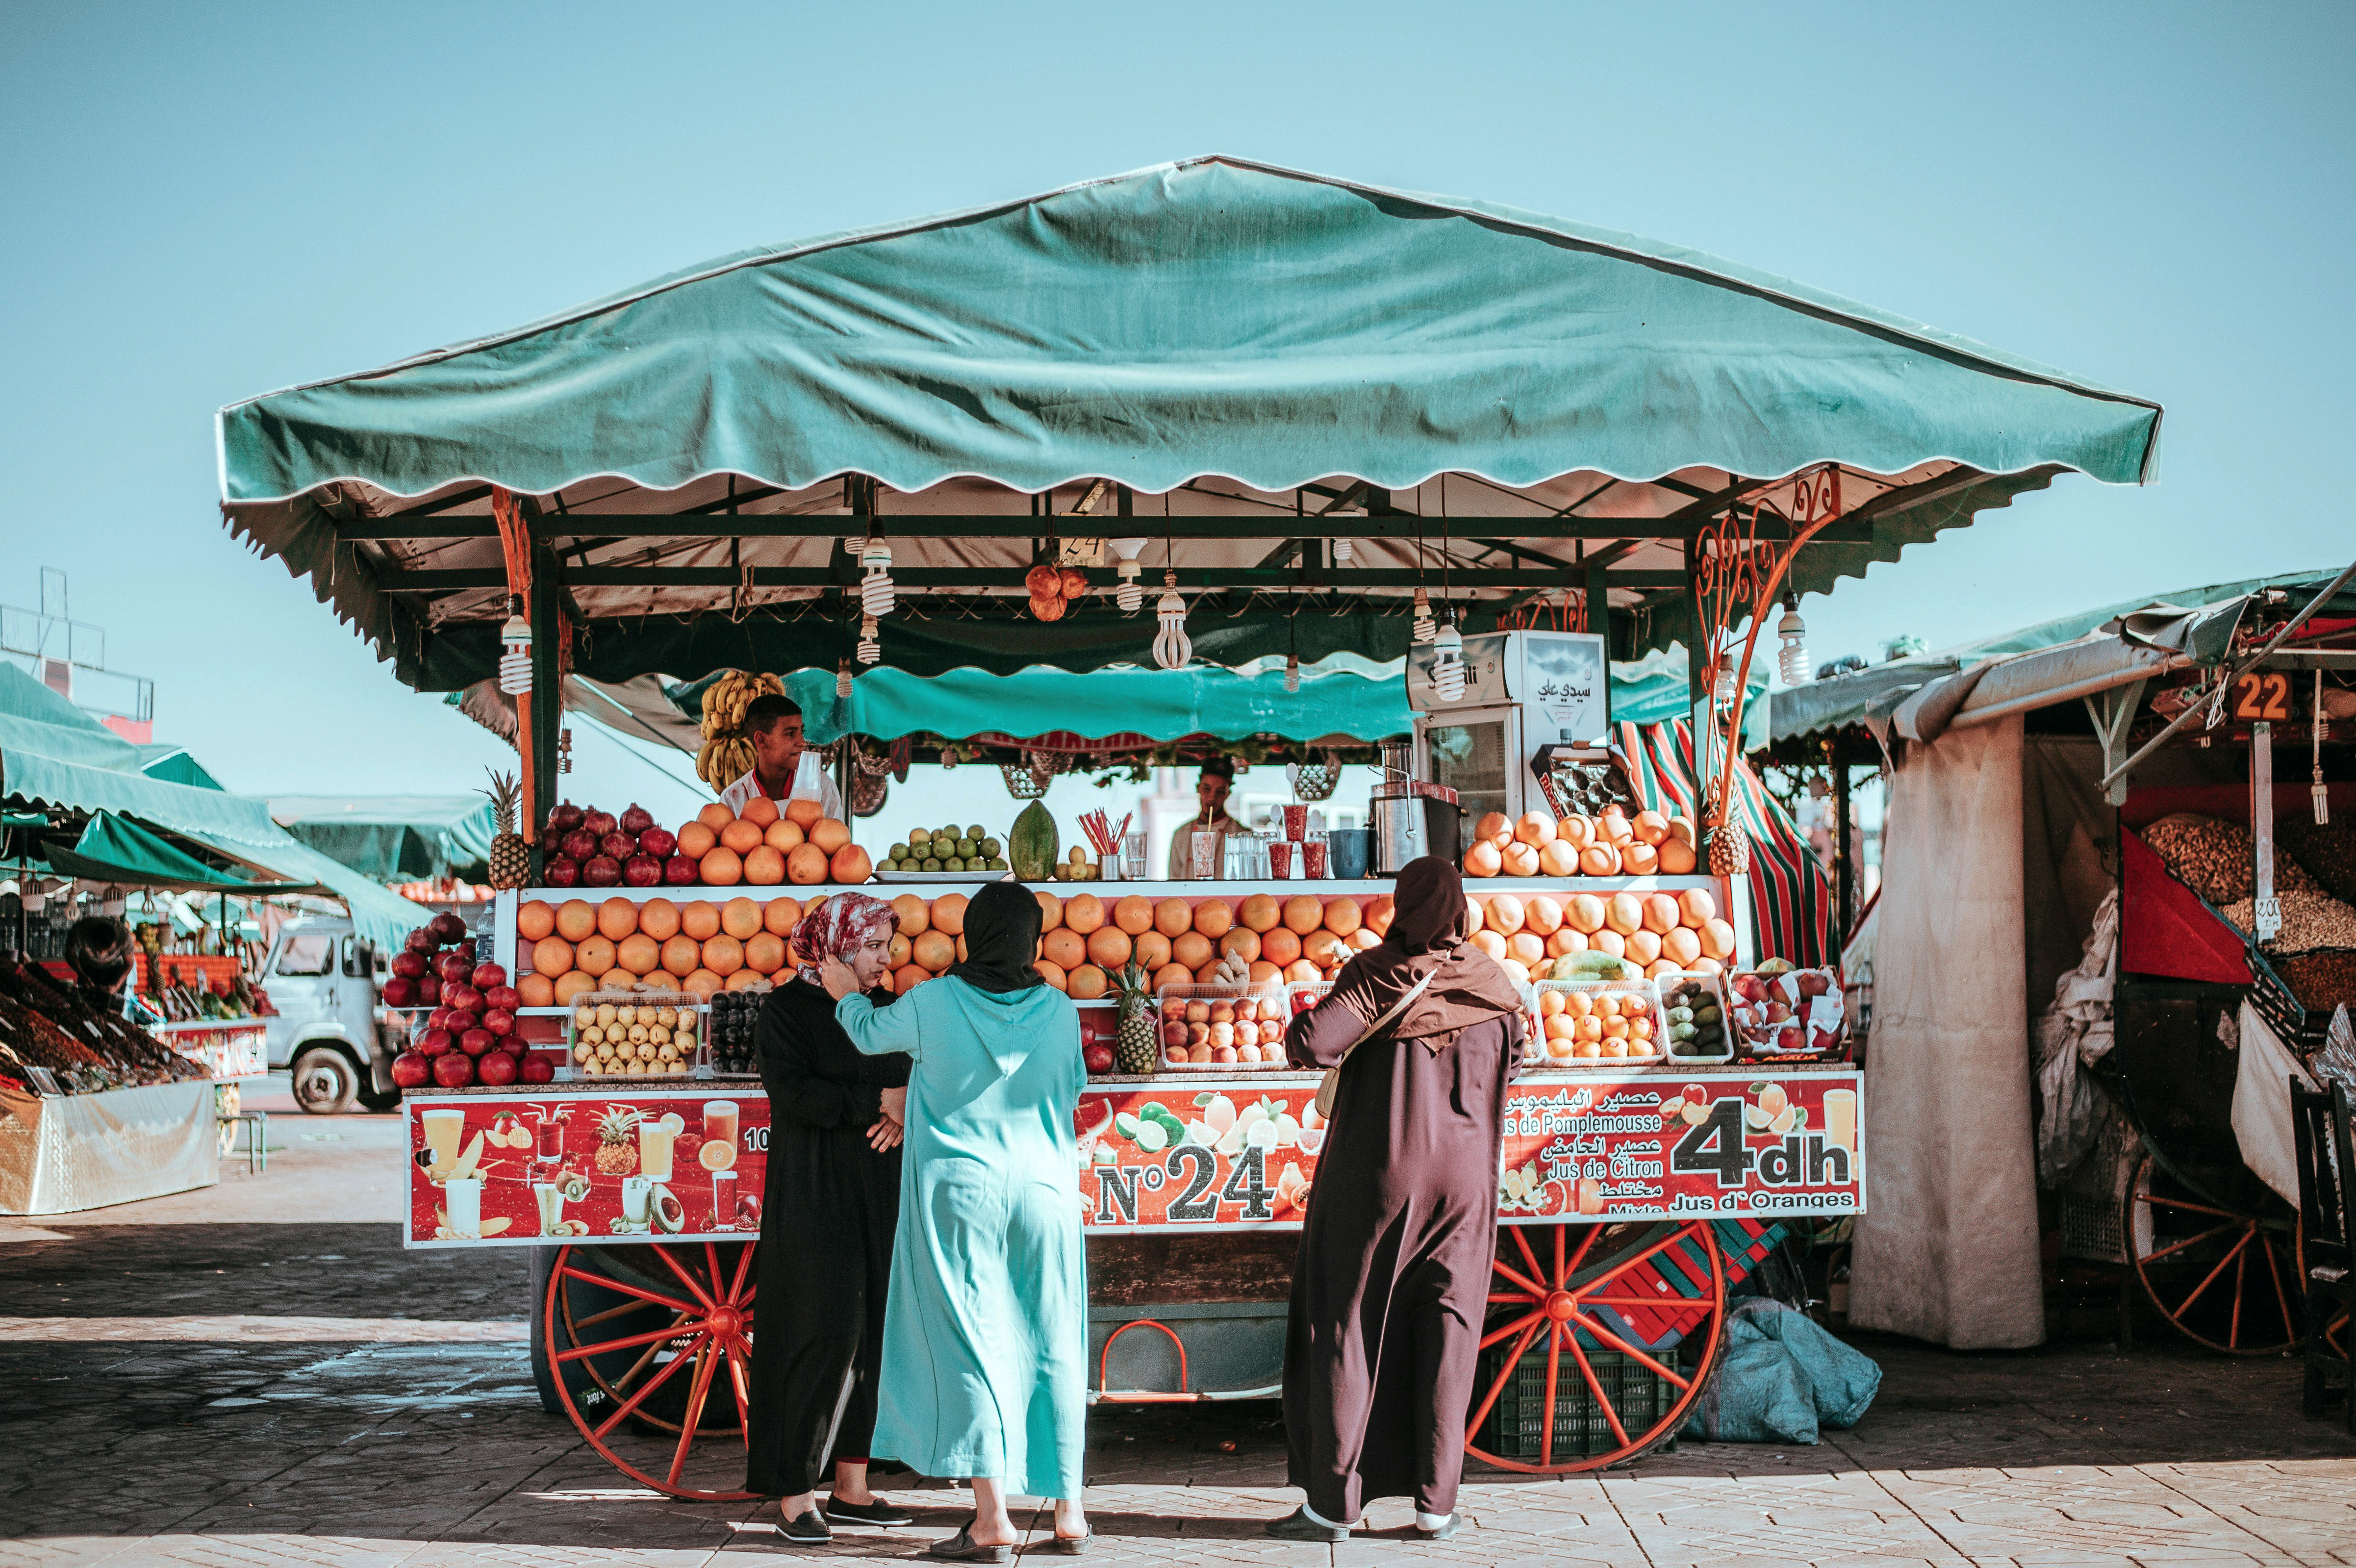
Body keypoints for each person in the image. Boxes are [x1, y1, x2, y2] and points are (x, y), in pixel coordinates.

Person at [822, 881, 1089, 1562]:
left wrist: (842, 992)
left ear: (970, 935)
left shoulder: (933, 1000)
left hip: (961, 1194)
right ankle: (1070, 1510)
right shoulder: (1059, 1009)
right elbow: (1071, 1088)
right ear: (1031, 939)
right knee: (1055, 1335)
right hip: (1045, 1192)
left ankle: (993, 1518)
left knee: (973, 1338)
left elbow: (865, 1032)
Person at [1265, 856, 1525, 1544]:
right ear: (1463, 908)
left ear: (1401, 904)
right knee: (1449, 1325)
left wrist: (1297, 1016)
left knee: (1349, 1320)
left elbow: (1314, 1043)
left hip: (1380, 1178)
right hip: (1468, 1182)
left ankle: (1333, 1505)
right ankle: (1436, 1505)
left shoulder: (1381, 969)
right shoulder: (1496, 981)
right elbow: (1518, 1057)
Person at [745, 891, 915, 1543]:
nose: (884, 958)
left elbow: (914, 1081)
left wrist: (904, 1113)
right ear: (835, 944)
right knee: (819, 1334)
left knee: (875, 1335)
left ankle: (851, 1486)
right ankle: (793, 1493)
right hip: (815, 1195)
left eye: (886, 946)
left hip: (881, 1188)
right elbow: (796, 1095)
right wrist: (879, 1099)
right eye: (873, 945)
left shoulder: (888, 1010)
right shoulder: (785, 1010)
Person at [720, 693, 846, 820]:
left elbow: (837, 835)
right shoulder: (733, 798)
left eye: (802, 732)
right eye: (790, 734)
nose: (802, 742)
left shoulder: (821, 786)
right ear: (762, 740)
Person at [1164, 758, 1247, 880]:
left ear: (1228, 794)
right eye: (1207, 789)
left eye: (1220, 792)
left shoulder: (1241, 834)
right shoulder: (1181, 834)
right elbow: (1173, 879)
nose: (1212, 798)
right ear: (1198, 788)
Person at [63, 916, 135, 1013]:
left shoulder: (124, 937)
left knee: (112, 1012)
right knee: (87, 1009)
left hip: (115, 970)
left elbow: (129, 964)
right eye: (98, 949)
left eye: (108, 951)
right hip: (88, 969)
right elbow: (70, 954)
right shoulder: (80, 931)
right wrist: (82, 974)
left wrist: (117, 986)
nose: (101, 955)